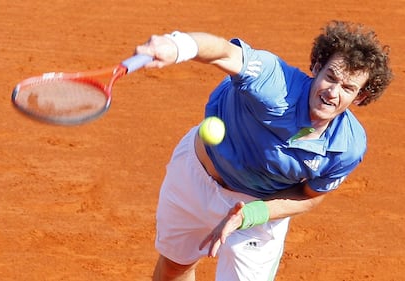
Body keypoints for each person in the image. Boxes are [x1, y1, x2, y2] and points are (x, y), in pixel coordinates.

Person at [135, 20, 393, 281]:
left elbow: (310, 195)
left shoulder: (347, 147)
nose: (332, 93)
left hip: (257, 207)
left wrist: (250, 215)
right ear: (316, 68)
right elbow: (225, 52)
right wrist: (177, 44)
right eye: (330, 77)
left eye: (348, 88)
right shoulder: (273, 82)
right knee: (174, 268)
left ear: (359, 97)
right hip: (194, 178)